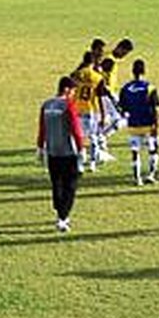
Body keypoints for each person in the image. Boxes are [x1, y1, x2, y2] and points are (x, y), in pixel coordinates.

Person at [36, 76, 86, 233]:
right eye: (73, 91)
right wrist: (81, 148)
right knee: (70, 186)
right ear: (66, 89)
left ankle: (60, 214)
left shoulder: (46, 105)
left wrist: (40, 147)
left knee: (56, 184)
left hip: (52, 151)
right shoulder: (68, 106)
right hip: (68, 152)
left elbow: (42, 128)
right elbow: (76, 129)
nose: (73, 94)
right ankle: (63, 218)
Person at [118, 59, 159, 187]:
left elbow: (122, 108)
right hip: (148, 125)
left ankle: (137, 179)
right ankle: (151, 175)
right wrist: (156, 125)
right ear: (144, 71)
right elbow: (155, 109)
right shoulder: (150, 87)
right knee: (153, 150)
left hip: (133, 125)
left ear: (132, 71)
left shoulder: (125, 88)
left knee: (135, 152)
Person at [71, 51, 106, 172]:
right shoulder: (98, 77)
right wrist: (103, 114)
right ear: (92, 62)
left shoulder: (76, 75)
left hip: (76, 109)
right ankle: (92, 163)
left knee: (78, 138)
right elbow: (100, 97)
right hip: (90, 109)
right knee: (93, 137)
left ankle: (79, 164)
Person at [100, 38, 135, 141]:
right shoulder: (109, 61)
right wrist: (110, 94)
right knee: (122, 118)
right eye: (124, 52)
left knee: (111, 118)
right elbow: (100, 77)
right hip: (106, 94)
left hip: (108, 94)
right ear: (119, 48)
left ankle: (101, 139)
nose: (124, 56)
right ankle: (101, 138)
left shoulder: (109, 58)